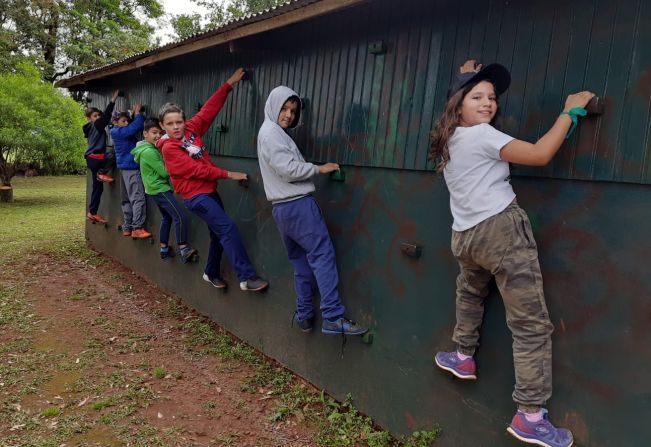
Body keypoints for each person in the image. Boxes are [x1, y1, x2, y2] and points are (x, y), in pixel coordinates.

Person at [431, 59, 594, 447]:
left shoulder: (449, 139)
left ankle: (463, 354)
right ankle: (530, 416)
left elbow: (468, 107)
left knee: (470, 291)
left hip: (465, 235)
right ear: (458, 104)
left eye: (491, 97)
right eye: (476, 97)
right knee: (531, 325)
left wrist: (467, 73)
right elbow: (539, 154)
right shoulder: (483, 136)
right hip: (501, 232)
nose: (488, 103)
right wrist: (569, 111)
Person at [257, 86, 368, 336]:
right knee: (323, 256)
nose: (288, 115)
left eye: (293, 111)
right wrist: (319, 169)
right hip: (297, 205)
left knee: (301, 264)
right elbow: (287, 169)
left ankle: (305, 315)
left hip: (281, 209)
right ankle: (332, 315)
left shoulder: (273, 133)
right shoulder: (272, 134)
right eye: (284, 108)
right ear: (273, 106)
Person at [157, 68, 268, 292]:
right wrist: (228, 174)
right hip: (195, 197)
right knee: (227, 228)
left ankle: (211, 272)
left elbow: (208, 110)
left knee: (218, 234)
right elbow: (197, 170)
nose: (176, 127)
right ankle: (247, 278)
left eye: (179, 121)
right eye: (170, 124)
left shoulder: (190, 130)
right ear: (162, 126)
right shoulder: (169, 148)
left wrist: (229, 84)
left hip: (209, 191)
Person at [132, 118, 197, 262]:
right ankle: (183, 249)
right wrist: (179, 160)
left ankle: (164, 249)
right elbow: (165, 172)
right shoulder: (150, 152)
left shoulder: (146, 149)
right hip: (160, 189)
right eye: (154, 132)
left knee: (167, 217)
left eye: (160, 133)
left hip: (154, 189)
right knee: (181, 216)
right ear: (145, 134)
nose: (157, 136)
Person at [110, 104, 151, 239]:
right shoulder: (119, 131)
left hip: (124, 169)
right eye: (123, 121)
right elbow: (136, 126)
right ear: (115, 122)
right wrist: (138, 113)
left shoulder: (117, 130)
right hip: (131, 169)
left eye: (127, 120)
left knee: (126, 199)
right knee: (137, 198)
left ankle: (127, 227)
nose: (126, 123)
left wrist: (131, 114)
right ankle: (137, 228)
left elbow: (129, 126)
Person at [83, 89, 119, 223]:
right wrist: (113, 100)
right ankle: (102, 172)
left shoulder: (90, 127)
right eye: (94, 116)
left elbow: (104, 117)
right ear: (89, 118)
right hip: (97, 159)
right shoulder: (97, 125)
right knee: (114, 154)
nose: (97, 118)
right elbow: (106, 116)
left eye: (98, 115)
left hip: (91, 160)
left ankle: (92, 212)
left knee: (98, 188)